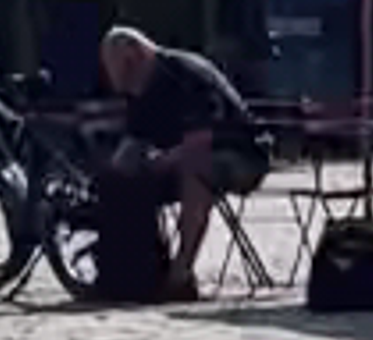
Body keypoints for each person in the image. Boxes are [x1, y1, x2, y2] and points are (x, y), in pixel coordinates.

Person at [93, 23, 259, 295]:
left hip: (238, 155)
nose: (120, 81)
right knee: (121, 181)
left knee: (196, 171)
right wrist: (114, 172)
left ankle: (181, 273)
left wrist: (159, 164)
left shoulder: (184, 73)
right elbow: (134, 140)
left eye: (121, 70)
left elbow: (201, 139)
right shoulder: (140, 86)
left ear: (137, 55)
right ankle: (133, 271)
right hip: (183, 158)